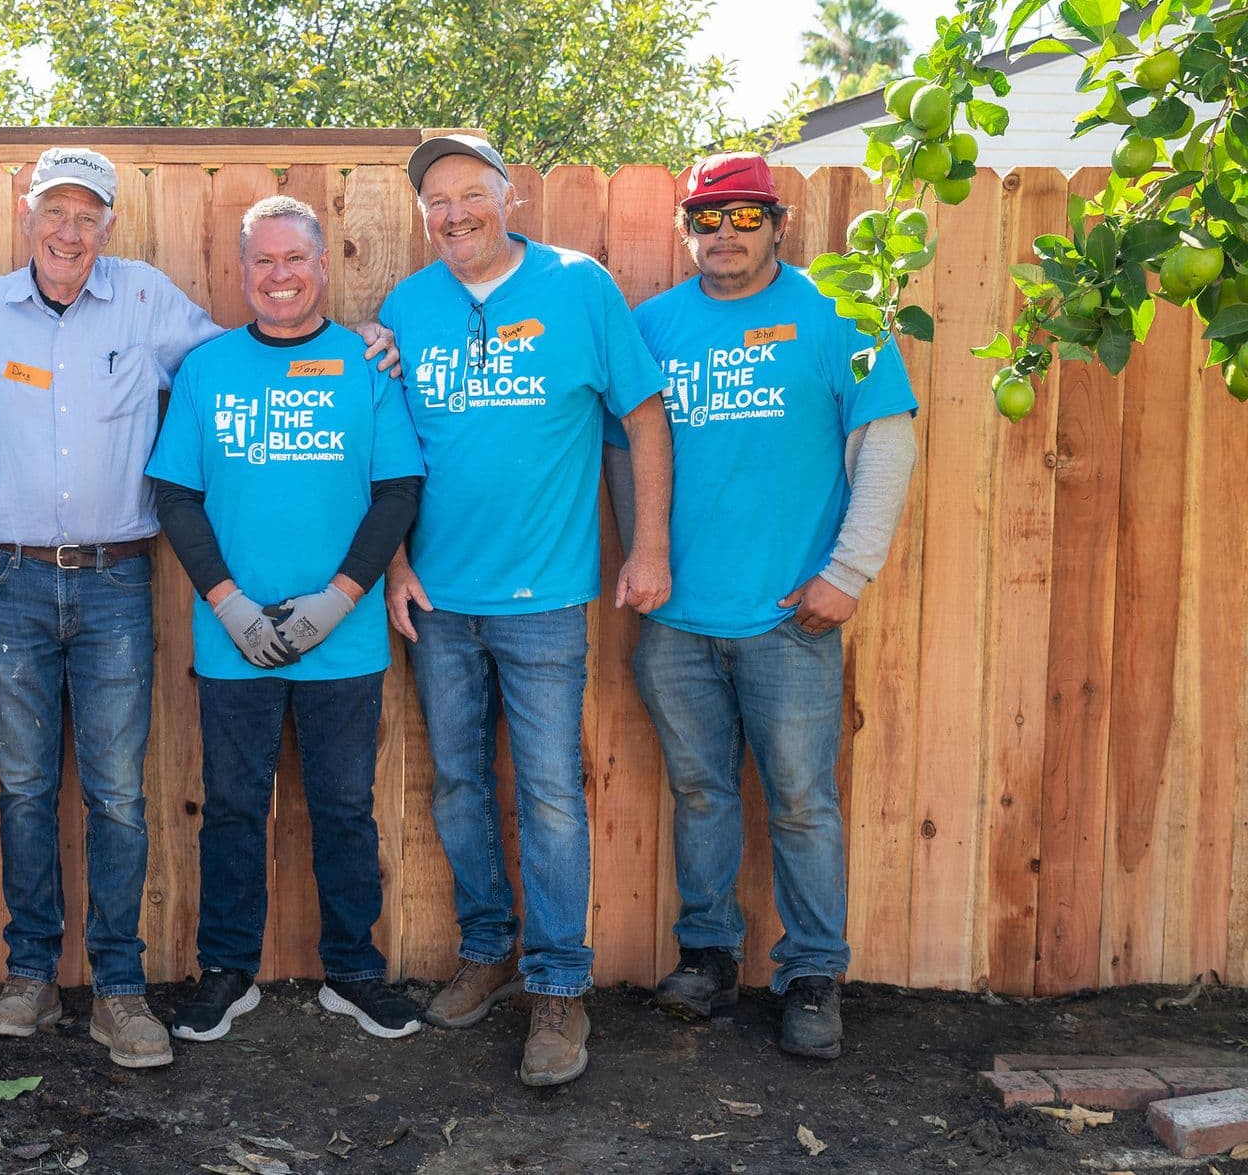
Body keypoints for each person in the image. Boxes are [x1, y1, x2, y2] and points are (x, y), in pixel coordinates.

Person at [0, 148, 400, 1070]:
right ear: (27, 214)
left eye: (88, 215)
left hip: (125, 583)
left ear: (108, 223)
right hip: (12, 583)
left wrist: (369, 342)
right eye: (55, 212)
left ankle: (137, 987)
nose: (70, 231)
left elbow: (367, 462)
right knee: (32, 788)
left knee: (135, 795)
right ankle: (36, 975)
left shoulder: (160, 307)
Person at [606, 151, 918, 1060]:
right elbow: (625, 450)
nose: (726, 236)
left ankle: (813, 972)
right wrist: (643, 558)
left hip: (791, 616)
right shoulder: (652, 327)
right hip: (675, 622)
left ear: (779, 225)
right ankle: (706, 955)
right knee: (701, 795)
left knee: (800, 802)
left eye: (746, 218)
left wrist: (849, 572)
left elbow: (886, 445)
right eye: (708, 219)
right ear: (687, 232)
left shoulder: (839, 317)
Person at [379, 135, 674, 1087]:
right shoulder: (406, 310)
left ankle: (558, 987)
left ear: (509, 197)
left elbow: (641, 416)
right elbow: (379, 451)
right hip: (438, 599)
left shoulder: (578, 287)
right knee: (460, 784)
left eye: (471, 193)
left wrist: (650, 544)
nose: (455, 213)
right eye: (438, 201)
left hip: (546, 599)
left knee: (550, 794)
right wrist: (392, 564)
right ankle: (489, 950)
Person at [146, 196, 426, 1044]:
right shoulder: (208, 369)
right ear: (242, 273)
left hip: (343, 637)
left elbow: (398, 493)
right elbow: (176, 495)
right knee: (233, 807)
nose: (279, 276)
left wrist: (339, 597)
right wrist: (227, 602)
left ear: (321, 267)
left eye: (293, 259)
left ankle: (353, 971)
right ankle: (227, 972)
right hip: (236, 640)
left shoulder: (364, 364)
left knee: (345, 806)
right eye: (262, 261)